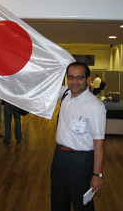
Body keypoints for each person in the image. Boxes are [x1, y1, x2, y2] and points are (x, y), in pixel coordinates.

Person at [51, 62, 106, 211]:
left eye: (79, 77)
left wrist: (97, 174)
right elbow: (45, 83)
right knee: (58, 202)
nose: (75, 81)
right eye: (71, 77)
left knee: (82, 205)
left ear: (88, 79)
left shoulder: (95, 106)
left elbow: (99, 143)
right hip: (59, 157)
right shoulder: (66, 93)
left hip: (80, 161)